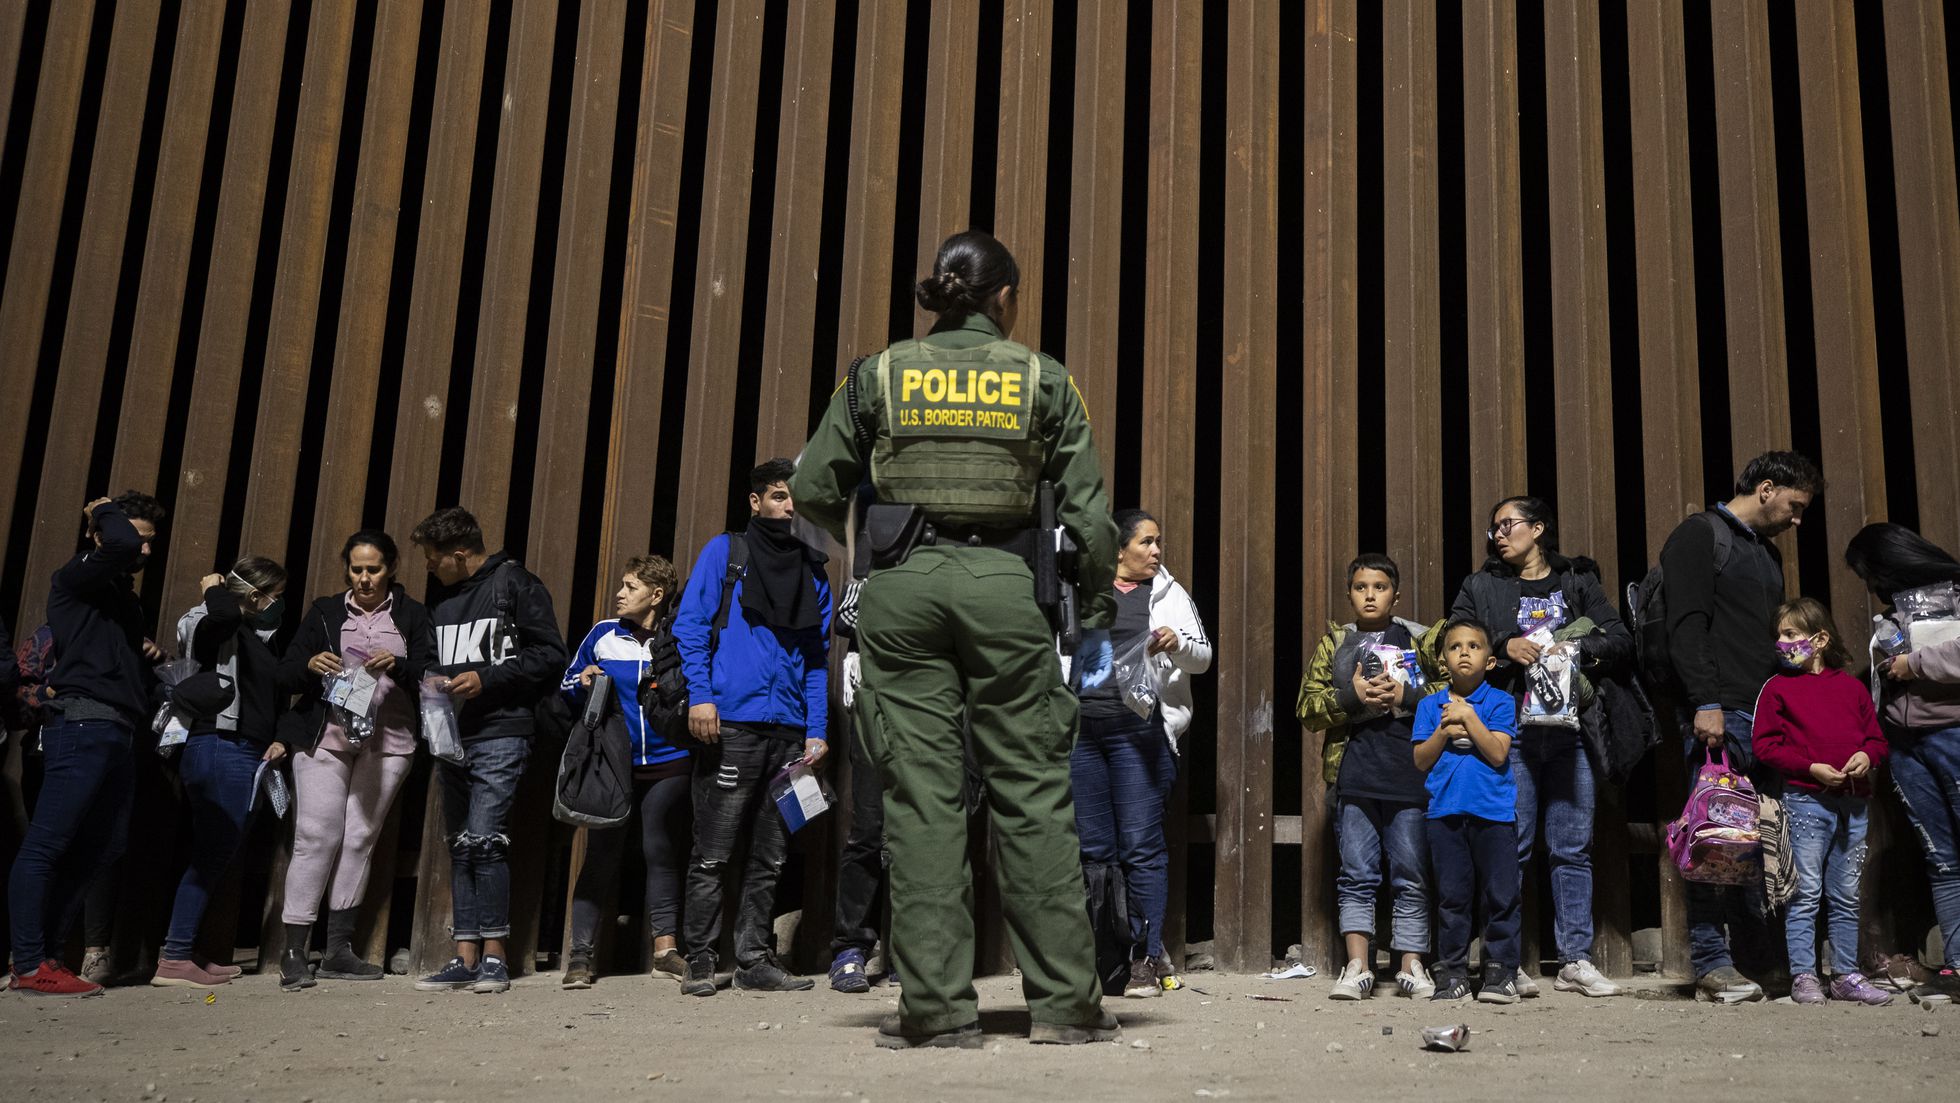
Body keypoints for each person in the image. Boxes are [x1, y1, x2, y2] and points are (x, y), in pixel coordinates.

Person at [792, 229, 1123, 1048]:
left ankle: (938, 1011)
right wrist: (1092, 605)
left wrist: (881, 538)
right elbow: (1086, 514)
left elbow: (810, 485)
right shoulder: (1043, 378)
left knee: (921, 800)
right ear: (1004, 297)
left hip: (901, 593)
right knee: (1033, 796)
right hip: (1010, 591)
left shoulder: (879, 372)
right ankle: (1066, 1008)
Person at [1448, 497, 1631, 998]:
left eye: (1508, 525)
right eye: (1494, 529)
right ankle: (1505, 961)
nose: (1499, 535)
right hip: (1513, 729)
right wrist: (1503, 644)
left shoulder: (1576, 582)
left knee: (1573, 848)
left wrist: (1574, 649)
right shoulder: (1481, 586)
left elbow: (1619, 640)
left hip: (1572, 732)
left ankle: (1575, 960)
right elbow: (1452, 634)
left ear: (1539, 528)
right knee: (1513, 845)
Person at [1660, 449, 1821, 1002]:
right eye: (1795, 507)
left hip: (1764, 716)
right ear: (1768, 488)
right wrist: (1704, 702)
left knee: (1754, 841)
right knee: (1714, 837)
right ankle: (1710, 963)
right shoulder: (1700, 535)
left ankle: (1754, 958)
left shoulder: (1767, 557)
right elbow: (1686, 625)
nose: (1798, 521)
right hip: (1718, 712)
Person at [673, 460, 831, 997]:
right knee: (713, 850)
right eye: (780, 497)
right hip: (731, 723)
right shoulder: (727, 552)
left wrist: (816, 728)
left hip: (788, 731)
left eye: (796, 500)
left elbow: (816, 656)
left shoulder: (813, 568)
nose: (789, 507)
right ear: (755, 501)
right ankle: (699, 957)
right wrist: (702, 695)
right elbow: (691, 626)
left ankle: (753, 960)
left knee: (771, 853)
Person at [8, 492, 167, 997]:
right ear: (100, 536)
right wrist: (102, 507)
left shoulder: (121, 598)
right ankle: (29, 963)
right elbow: (117, 542)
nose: (142, 550)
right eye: (135, 538)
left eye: (149, 542)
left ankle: (48, 956)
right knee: (47, 845)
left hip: (116, 728)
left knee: (104, 844)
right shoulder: (74, 576)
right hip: (79, 724)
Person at [410, 507, 567, 994]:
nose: (429, 569)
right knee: (461, 845)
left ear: (461, 554)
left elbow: (550, 655)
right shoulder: (442, 598)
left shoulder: (514, 584)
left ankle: (496, 957)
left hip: (502, 730)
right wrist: (432, 676)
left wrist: (487, 678)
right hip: (451, 734)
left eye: (435, 560)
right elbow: (432, 654)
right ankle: (464, 956)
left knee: (486, 839)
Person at [274, 531, 436, 991]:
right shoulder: (326, 611)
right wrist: (309, 665)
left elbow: (430, 669)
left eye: (374, 569)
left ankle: (339, 951)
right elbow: (284, 672)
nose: (364, 579)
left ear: (392, 569)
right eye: (357, 569)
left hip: (390, 737)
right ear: (347, 569)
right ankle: (293, 952)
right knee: (316, 836)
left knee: (361, 837)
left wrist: (399, 665)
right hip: (326, 736)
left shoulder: (411, 614)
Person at [1071, 509, 1212, 997]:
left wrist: (1178, 643)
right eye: (1146, 543)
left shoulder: (1168, 595)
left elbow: (1203, 656)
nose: (1156, 551)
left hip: (1141, 733)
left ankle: (1144, 959)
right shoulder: (1084, 590)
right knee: (1094, 850)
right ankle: (1101, 957)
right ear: (1117, 550)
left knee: (1139, 846)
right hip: (1083, 734)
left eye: (1158, 543)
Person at [1298, 553, 1442, 1000]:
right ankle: (1357, 966)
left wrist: (1409, 693)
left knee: (1412, 874)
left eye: (1379, 587)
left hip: (1410, 775)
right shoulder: (1336, 643)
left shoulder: (1420, 640)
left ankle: (1411, 966)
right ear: (1350, 594)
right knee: (1356, 874)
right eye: (1361, 587)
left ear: (1395, 595)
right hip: (1354, 777)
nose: (1370, 595)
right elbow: (1306, 709)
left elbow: (1454, 690)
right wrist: (1352, 695)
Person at [152, 558, 292, 988]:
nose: (278, 604)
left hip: (246, 750)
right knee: (212, 852)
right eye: (275, 595)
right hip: (218, 745)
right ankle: (174, 957)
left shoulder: (253, 637)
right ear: (254, 595)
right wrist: (214, 586)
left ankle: (185, 949)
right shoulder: (214, 624)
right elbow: (225, 612)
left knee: (218, 852)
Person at [1751, 597, 1892, 1005]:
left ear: (1820, 638)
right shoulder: (1777, 688)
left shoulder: (1850, 688)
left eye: (1791, 634)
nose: (1781, 642)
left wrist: (1867, 756)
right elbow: (1765, 746)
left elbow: (1877, 741)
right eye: (1778, 635)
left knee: (1846, 894)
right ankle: (1804, 976)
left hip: (1854, 804)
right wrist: (1809, 767)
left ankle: (1846, 975)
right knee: (1806, 892)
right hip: (1806, 803)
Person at [561, 554, 692, 989]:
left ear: (656, 595)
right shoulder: (602, 635)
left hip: (669, 759)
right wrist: (582, 682)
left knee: (661, 848)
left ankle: (665, 951)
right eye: (621, 584)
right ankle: (581, 957)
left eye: (630, 587)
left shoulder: (677, 638)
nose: (620, 593)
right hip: (612, 764)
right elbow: (566, 682)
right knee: (601, 853)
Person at [1844, 522, 1960, 1002]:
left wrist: (1915, 664)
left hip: (1954, 733)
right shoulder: (1897, 612)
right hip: (1907, 744)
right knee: (1942, 859)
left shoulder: (1956, 593)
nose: (1869, 586)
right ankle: (1957, 968)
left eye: (1869, 573)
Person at [1412, 616, 1521, 1004]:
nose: (1464, 653)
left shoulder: (1501, 701)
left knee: (1500, 895)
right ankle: (1453, 974)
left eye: (1474, 647)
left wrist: (1468, 717)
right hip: (1445, 814)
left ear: (1489, 662)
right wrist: (1443, 730)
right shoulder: (1429, 706)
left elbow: (1497, 752)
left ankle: (1500, 972)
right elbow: (1421, 761)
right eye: (1455, 647)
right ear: (1443, 661)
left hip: (1493, 814)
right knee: (1452, 897)